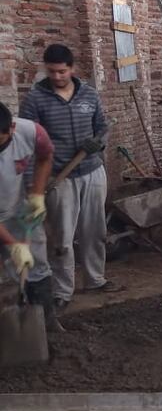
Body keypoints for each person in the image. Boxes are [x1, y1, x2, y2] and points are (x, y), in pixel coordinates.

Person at [20, 44, 115, 314]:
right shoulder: (36, 99)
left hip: (92, 171)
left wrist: (99, 142)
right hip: (59, 178)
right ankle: (63, 290)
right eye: (52, 72)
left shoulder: (89, 94)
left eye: (62, 71)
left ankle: (95, 279)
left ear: (72, 68)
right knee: (62, 237)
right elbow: (29, 141)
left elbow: (103, 127)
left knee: (94, 231)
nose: (57, 77)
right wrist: (33, 184)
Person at [0, 102, 61, 331]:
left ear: (11, 129)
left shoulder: (30, 131)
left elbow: (45, 156)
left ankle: (45, 323)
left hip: (16, 209)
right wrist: (13, 244)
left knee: (36, 264)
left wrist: (36, 194)